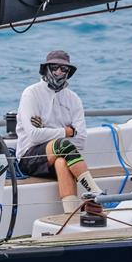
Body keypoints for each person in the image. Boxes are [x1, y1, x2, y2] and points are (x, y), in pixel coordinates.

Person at [15, 50, 101, 213]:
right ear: (46, 68)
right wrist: (65, 132)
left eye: (64, 69)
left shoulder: (74, 99)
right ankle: (96, 193)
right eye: (55, 67)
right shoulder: (31, 93)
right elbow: (33, 136)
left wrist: (52, 134)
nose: (59, 72)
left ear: (69, 73)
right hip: (29, 158)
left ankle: (71, 213)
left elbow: (81, 140)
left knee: (62, 161)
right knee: (62, 145)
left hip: (59, 157)